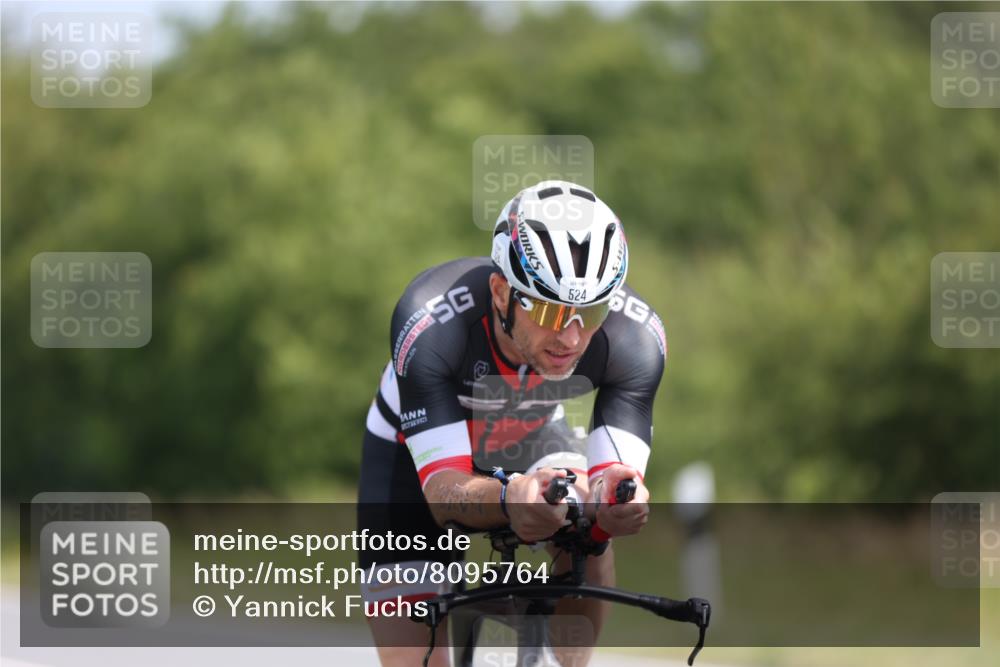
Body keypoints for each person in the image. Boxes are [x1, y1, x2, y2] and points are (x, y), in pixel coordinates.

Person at [357, 180, 667, 666]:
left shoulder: (635, 338)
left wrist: (612, 504)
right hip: (410, 461)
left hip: (535, 436)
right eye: (548, 309)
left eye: (590, 310)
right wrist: (508, 497)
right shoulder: (430, 322)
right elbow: (443, 492)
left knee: (587, 526)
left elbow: (613, 479)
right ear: (501, 294)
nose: (572, 337)